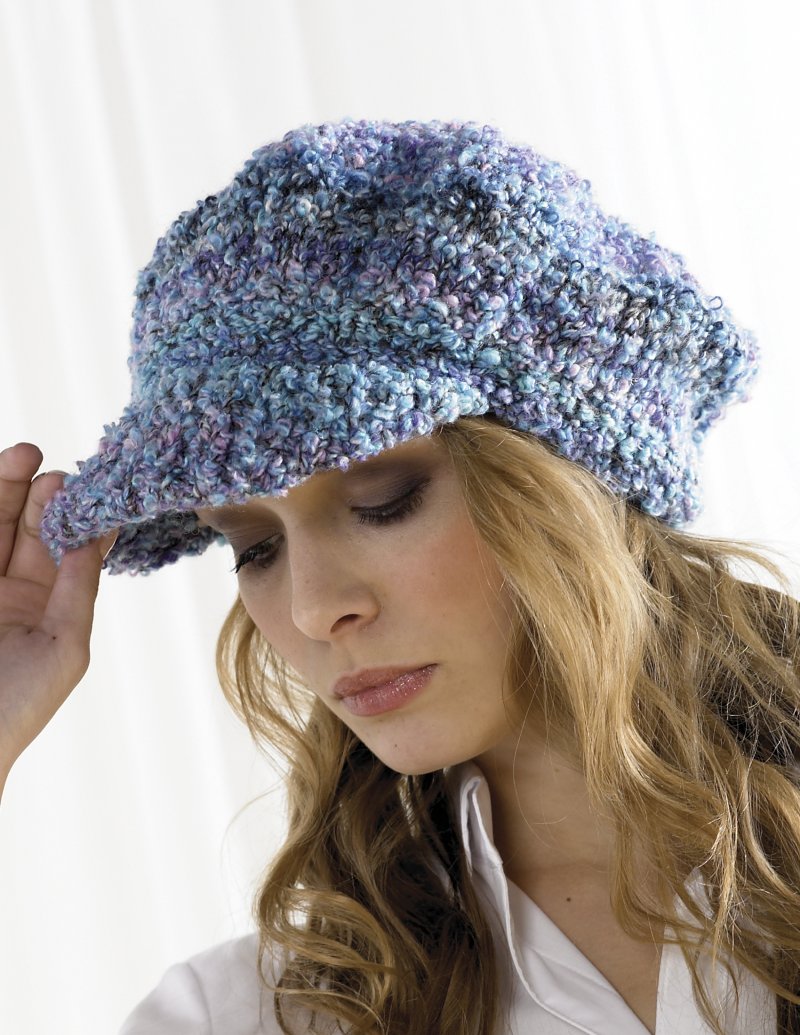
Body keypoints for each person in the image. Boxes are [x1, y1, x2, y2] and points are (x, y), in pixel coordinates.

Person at [1, 118, 798, 1035]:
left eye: (384, 501)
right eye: (253, 547)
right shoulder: (255, 1014)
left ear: (574, 483)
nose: (312, 608)